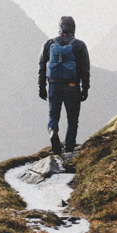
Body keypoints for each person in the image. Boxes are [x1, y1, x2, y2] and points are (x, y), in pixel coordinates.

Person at [38, 15, 90, 156]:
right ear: (73, 28)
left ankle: (52, 130)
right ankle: (68, 149)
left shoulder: (49, 44)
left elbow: (42, 66)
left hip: (54, 85)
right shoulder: (79, 45)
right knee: (72, 120)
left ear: (59, 28)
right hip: (72, 86)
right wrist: (85, 88)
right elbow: (85, 69)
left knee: (53, 116)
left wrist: (42, 87)